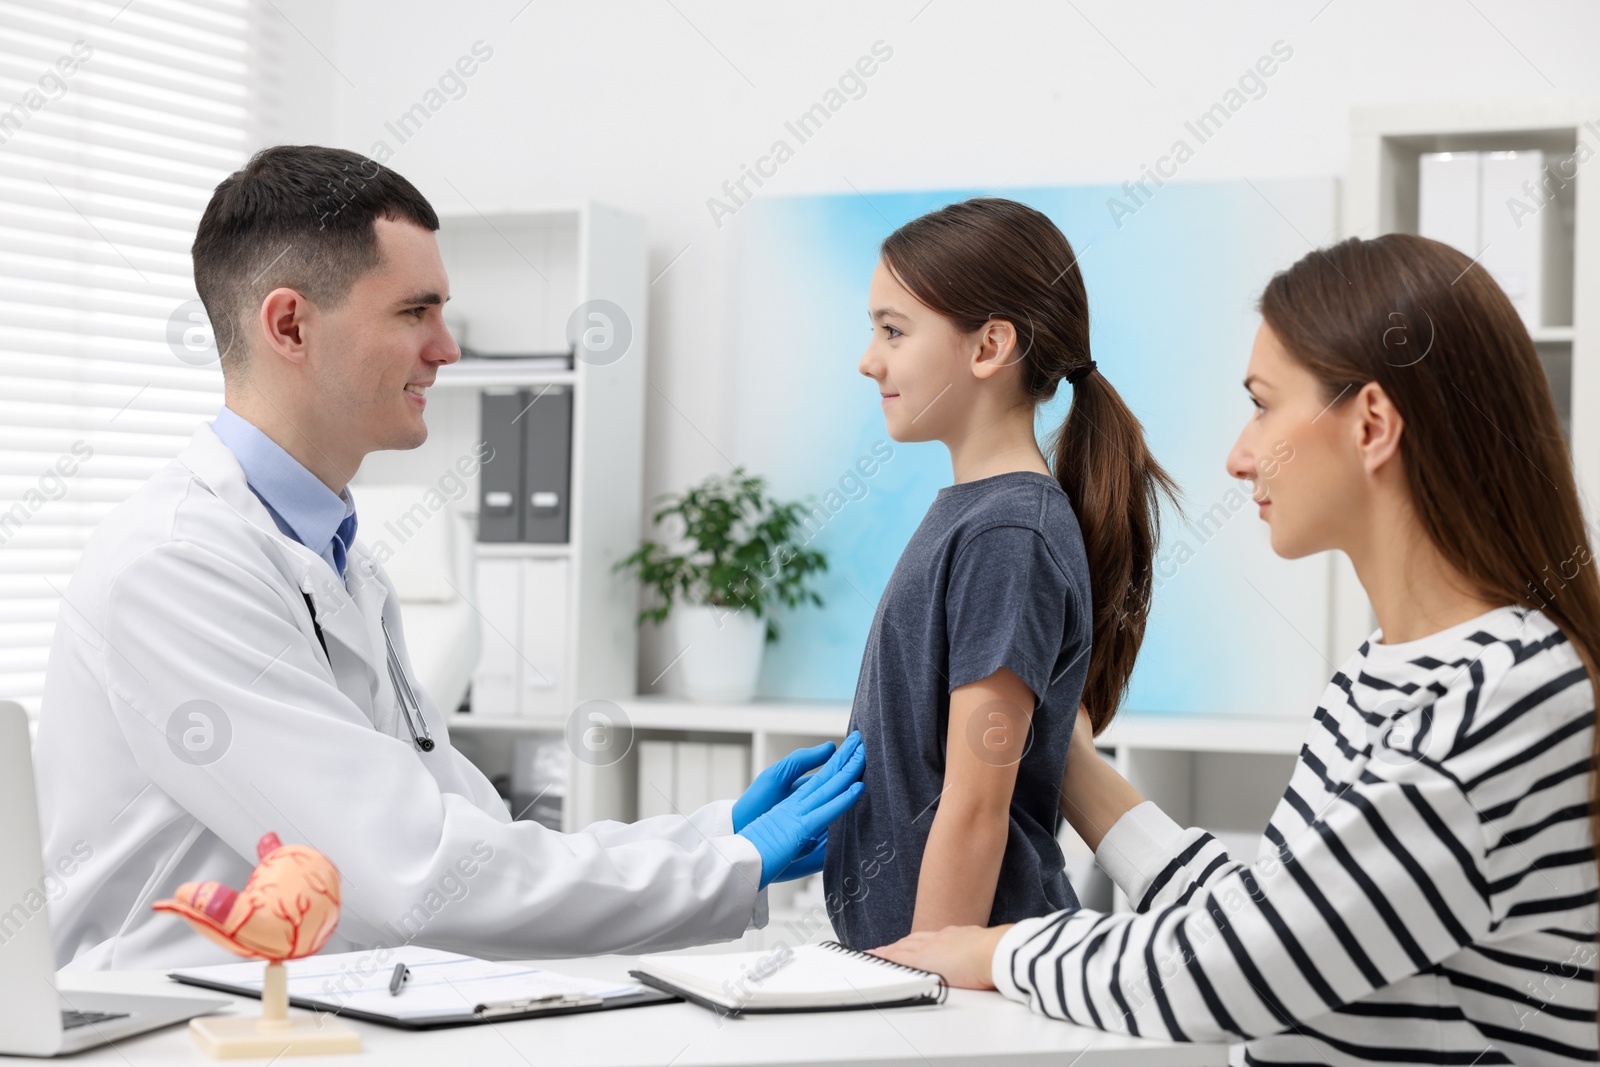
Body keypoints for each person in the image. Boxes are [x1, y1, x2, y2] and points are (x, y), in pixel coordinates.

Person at [34, 145, 864, 971]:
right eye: (413, 312)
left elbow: (475, 834)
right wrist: (732, 863)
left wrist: (716, 832)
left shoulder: (342, 562)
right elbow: (415, 870)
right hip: (171, 1029)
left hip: (300, 1011)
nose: (447, 348)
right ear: (290, 324)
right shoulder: (176, 567)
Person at [872, 233, 1600, 1065]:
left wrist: (989, 949)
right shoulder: (1375, 676)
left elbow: (1239, 965)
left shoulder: (1506, 699)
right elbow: (1275, 910)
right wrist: (1063, 759)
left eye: (1262, 404)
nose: (1238, 455)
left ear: (1370, 424)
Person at [823, 198, 1177, 950]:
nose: (869, 358)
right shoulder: (979, 515)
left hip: (960, 980)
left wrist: (918, 986)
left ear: (990, 346)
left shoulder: (1008, 533)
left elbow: (975, 810)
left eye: (893, 329)